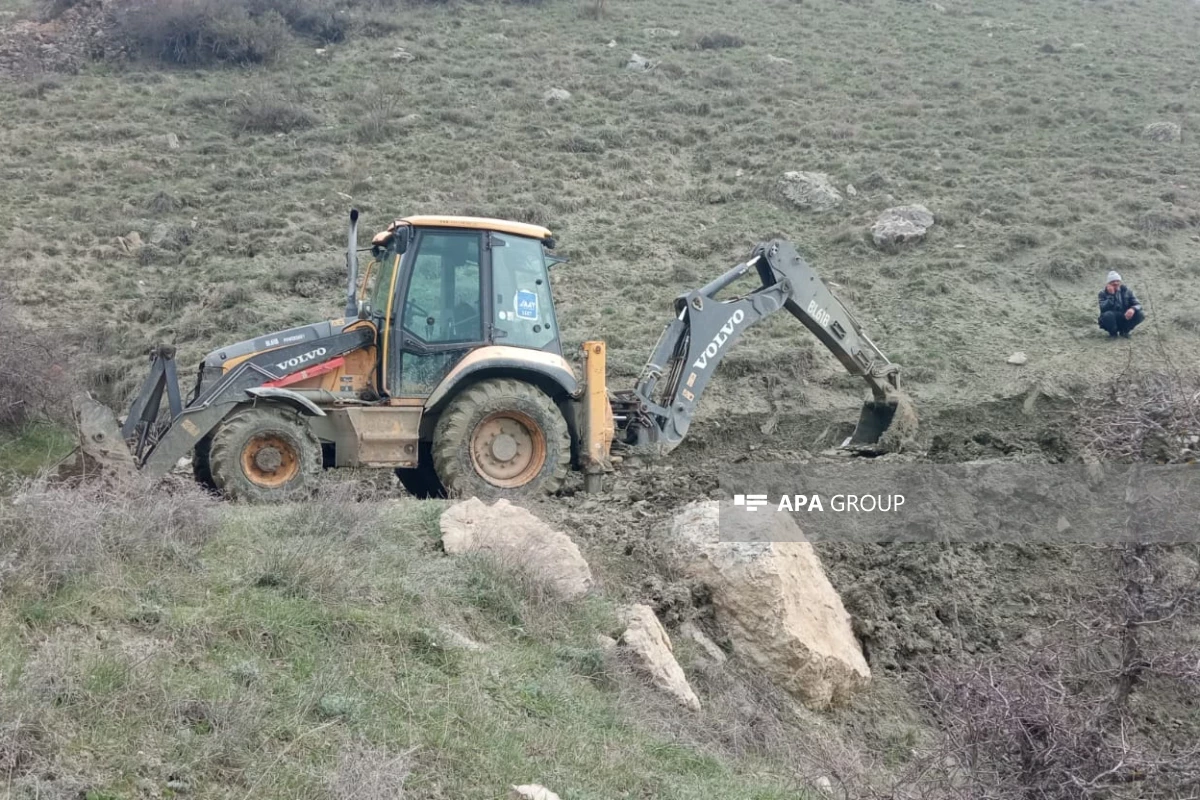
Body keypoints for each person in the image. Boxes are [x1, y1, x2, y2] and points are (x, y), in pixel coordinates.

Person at [1097, 270, 1144, 338]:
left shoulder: (1127, 291)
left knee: (1140, 314)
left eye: (1117, 281)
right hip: (1111, 318)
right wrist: (1111, 296)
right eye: (1113, 282)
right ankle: (1113, 334)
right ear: (1108, 284)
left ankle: (1125, 331)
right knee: (1107, 315)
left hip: (1125, 316)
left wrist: (1132, 309)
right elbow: (1103, 308)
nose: (1115, 283)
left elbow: (1138, 304)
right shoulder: (1102, 293)